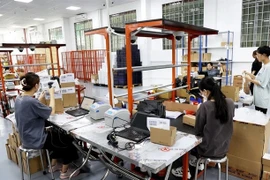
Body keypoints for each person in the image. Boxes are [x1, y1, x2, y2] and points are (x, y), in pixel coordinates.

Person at [15, 72, 79, 179]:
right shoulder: (31, 102)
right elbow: (51, 111)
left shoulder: (19, 99)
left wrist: (41, 97)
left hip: (26, 138)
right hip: (37, 139)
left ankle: (53, 165)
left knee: (56, 135)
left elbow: (32, 105)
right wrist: (52, 94)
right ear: (36, 85)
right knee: (67, 141)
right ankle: (64, 172)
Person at [172, 77, 235, 178]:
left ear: (205, 91)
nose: (201, 94)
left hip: (208, 150)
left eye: (201, 92)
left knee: (185, 140)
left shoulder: (205, 106)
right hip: (224, 147)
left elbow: (198, 130)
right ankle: (197, 162)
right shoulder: (230, 102)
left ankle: (185, 170)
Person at [244, 46, 270, 114]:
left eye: (258, 55)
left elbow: (262, 83)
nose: (257, 57)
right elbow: (258, 78)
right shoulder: (264, 66)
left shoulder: (268, 67)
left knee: (261, 119)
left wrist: (250, 80)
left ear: (264, 55)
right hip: (258, 99)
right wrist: (249, 75)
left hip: (263, 99)